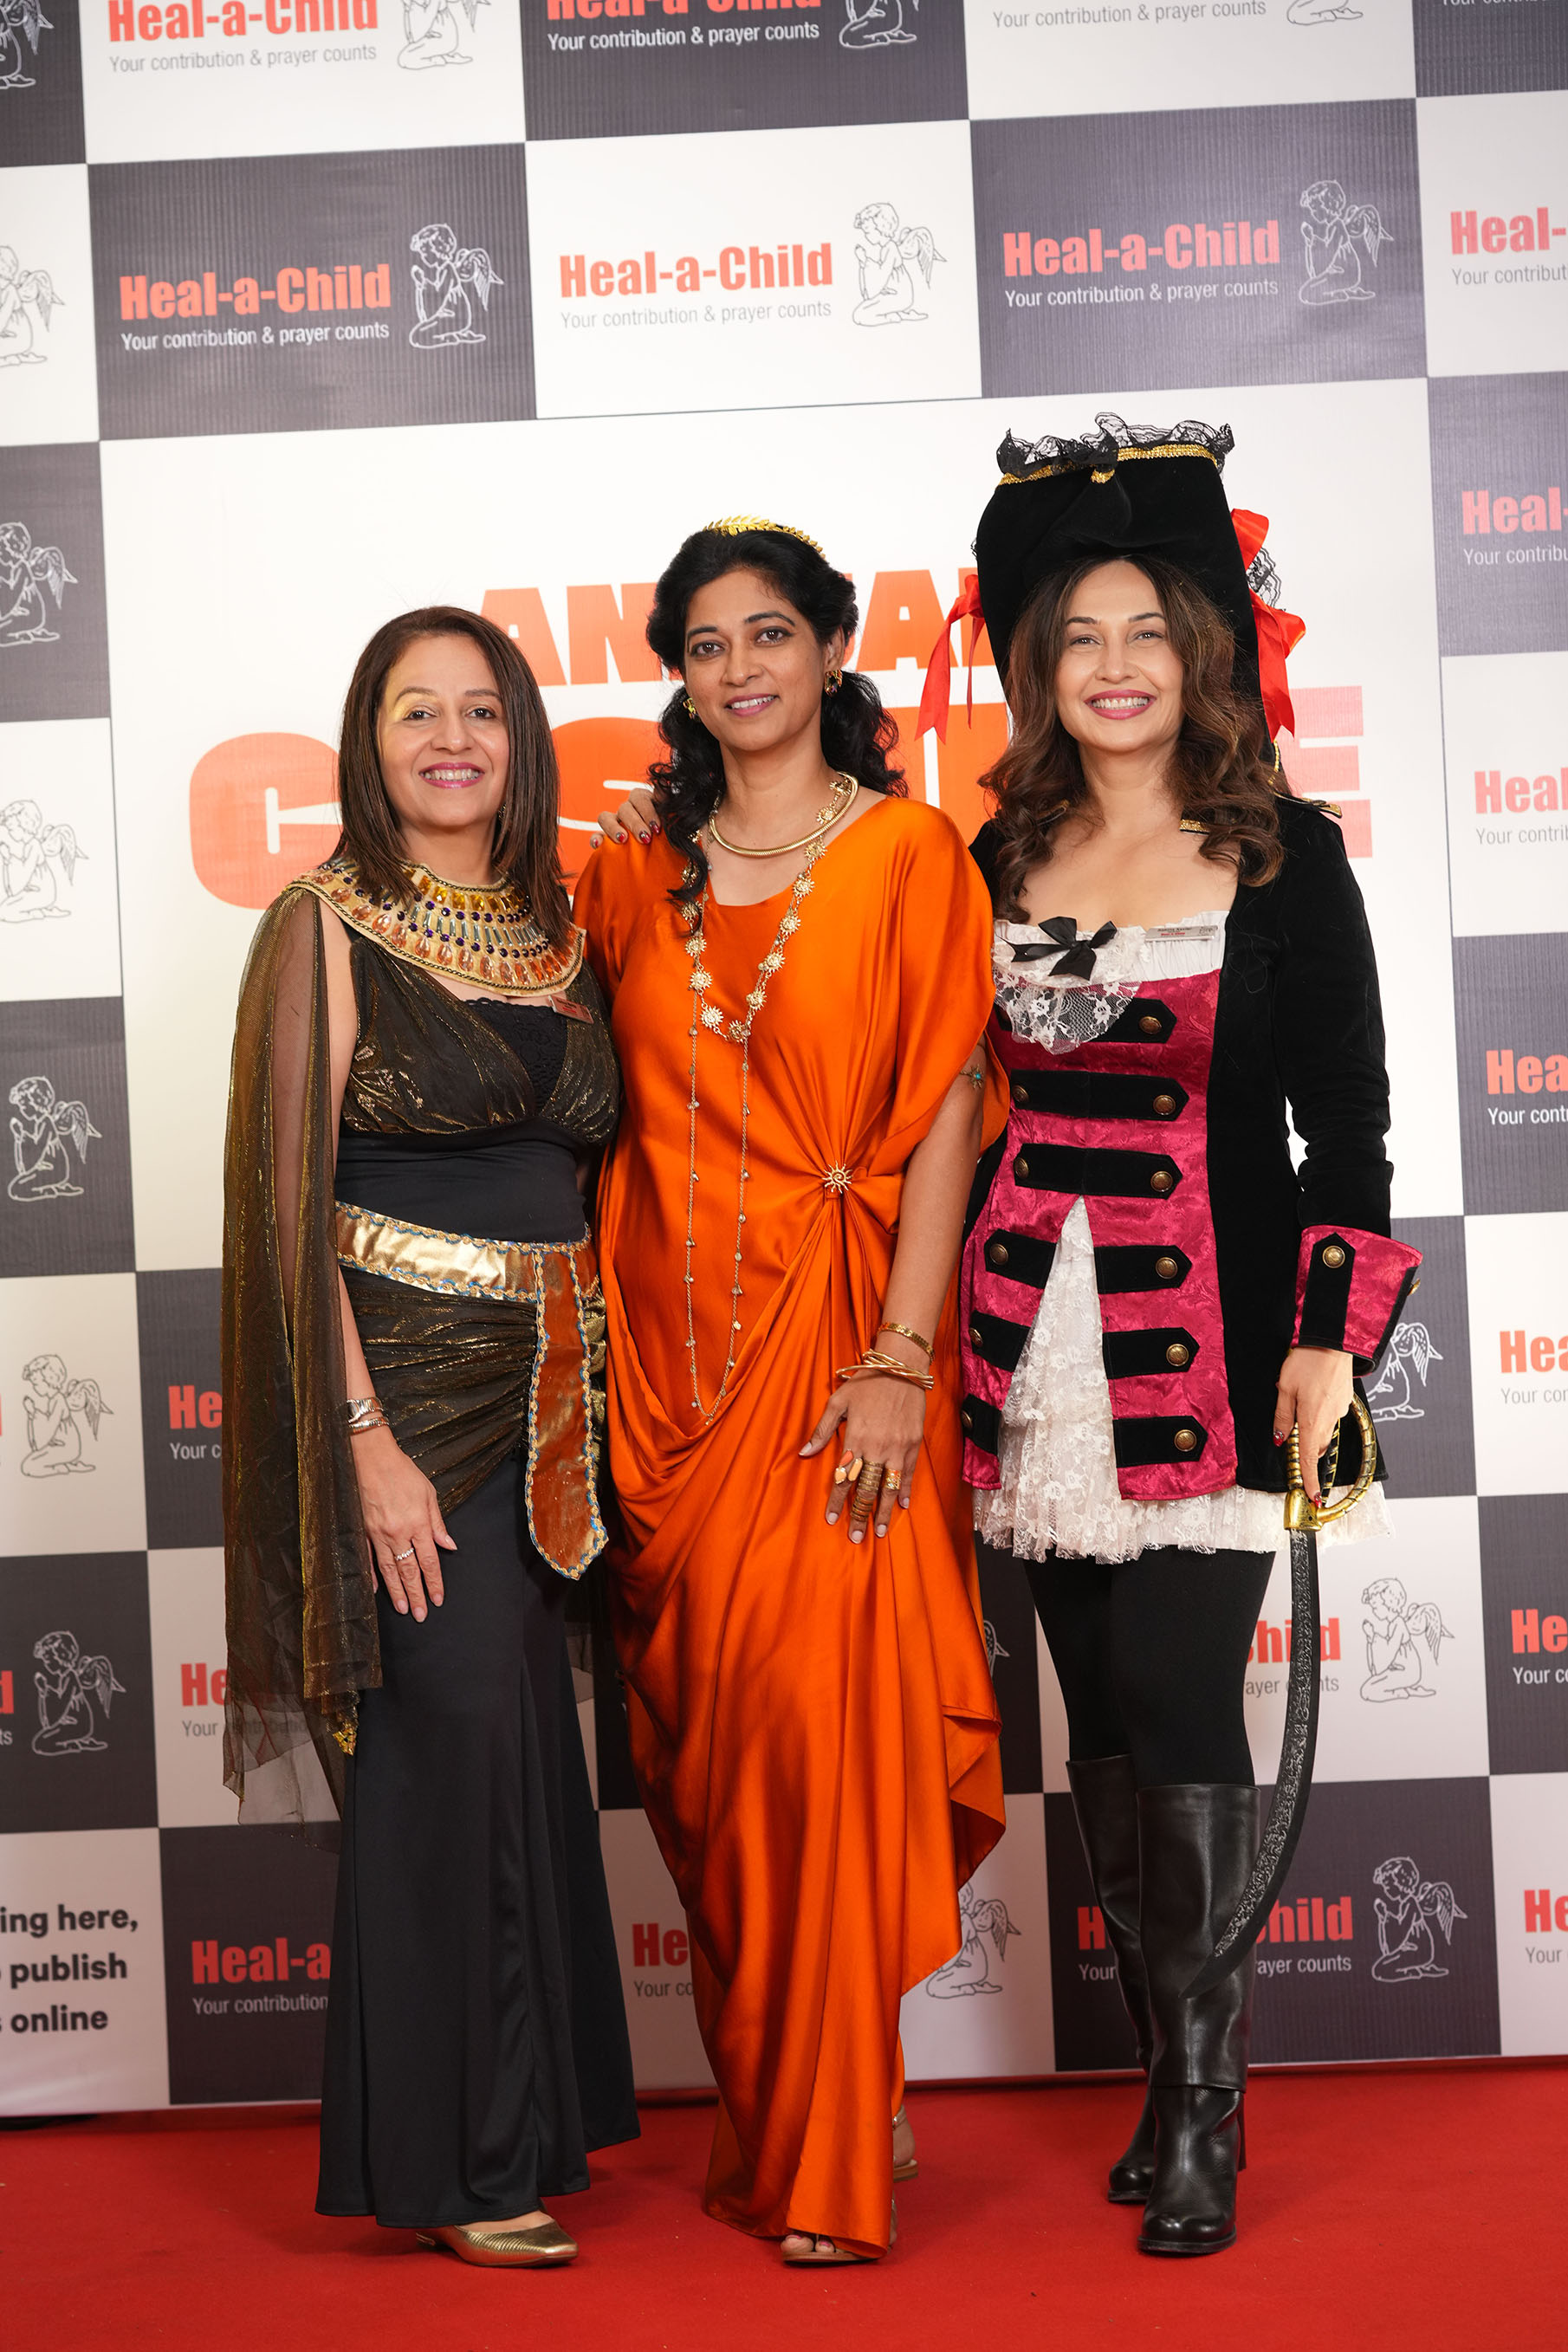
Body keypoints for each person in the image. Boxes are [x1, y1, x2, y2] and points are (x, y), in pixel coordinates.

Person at [927, 416, 1419, 2257]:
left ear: (1198, 648)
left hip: (1209, 1345)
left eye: (1144, 630)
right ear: (1038, 667)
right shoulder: (995, 847)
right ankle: (1159, 2068)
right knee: (1097, 1722)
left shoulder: (1285, 855)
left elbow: (1346, 1127)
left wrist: (1326, 1346)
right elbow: (951, 1101)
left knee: (1180, 1691)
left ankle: (1209, 2105)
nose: (1114, 665)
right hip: (1029, 1347)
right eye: (1079, 637)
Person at [574, 519, 1006, 2265]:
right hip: (663, 1391)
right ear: (680, 679)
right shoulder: (630, 874)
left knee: (824, 1752)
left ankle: (830, 2148)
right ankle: (810, 2090)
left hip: (841, 1367)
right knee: (718, 1779)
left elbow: (945, 1104)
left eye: (770, 632)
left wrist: (902, 1354)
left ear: (833, 650)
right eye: (704, 643)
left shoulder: (906, 852)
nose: (739, 667)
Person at [221, 606, 638, 2269]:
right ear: (368, 740)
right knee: (442, 1746)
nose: (451, 739)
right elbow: (290, 1203)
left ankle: (520, 2127)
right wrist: (362, 1441)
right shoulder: (320, 924)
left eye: (480, 710)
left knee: (516, 1749)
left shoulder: (562, 933)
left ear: (519, 741)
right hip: (400, 1397)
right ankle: (455, 2166)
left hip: (555, 1401)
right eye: (416, 712)